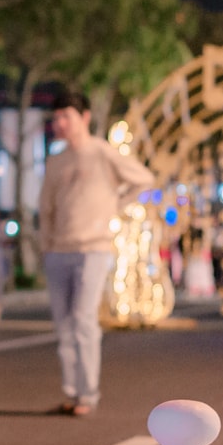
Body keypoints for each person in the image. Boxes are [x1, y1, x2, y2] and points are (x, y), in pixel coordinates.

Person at [38, 90, 152, 416]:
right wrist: (45, 244)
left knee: (84, 320)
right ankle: (72, 392)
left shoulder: (102, 153)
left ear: (84, 117)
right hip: (58, 250)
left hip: (93, 249)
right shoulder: (56, 159)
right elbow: (46, 207)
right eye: (56, 118)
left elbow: (144, 179)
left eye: (66, 116)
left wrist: (115, 204)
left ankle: (88, 394)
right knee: (63, 325)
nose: (60, 123)